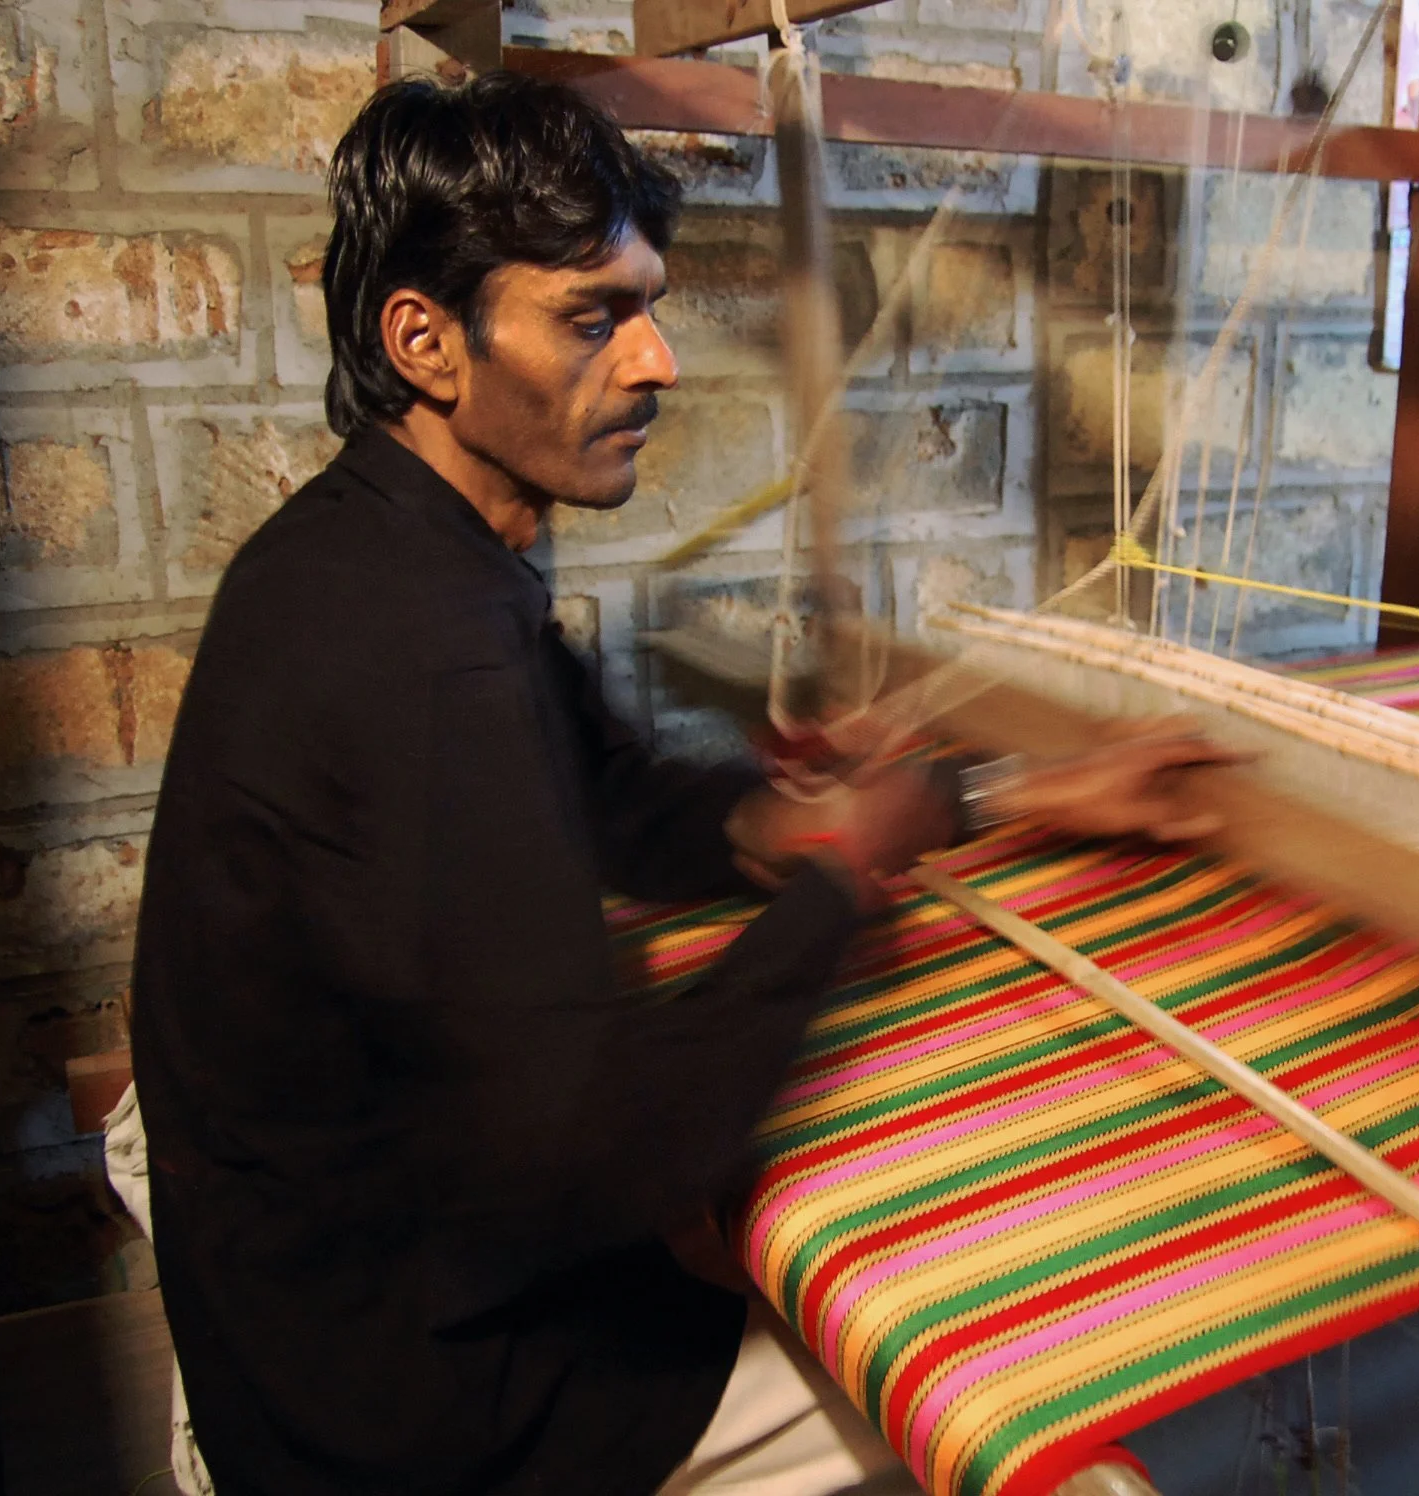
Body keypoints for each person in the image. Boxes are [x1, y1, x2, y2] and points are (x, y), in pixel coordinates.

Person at [129, 71, 1233, 1496]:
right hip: (405, 1401)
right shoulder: (414, 654)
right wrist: (841, 883)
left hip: (345, 1280)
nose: (653, 362)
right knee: (1023, 1426)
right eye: (592, 317)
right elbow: (605, 1150)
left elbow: (616, 797)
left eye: (643, 306)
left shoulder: (395, 553)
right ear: (428, 341)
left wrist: (989, 798)